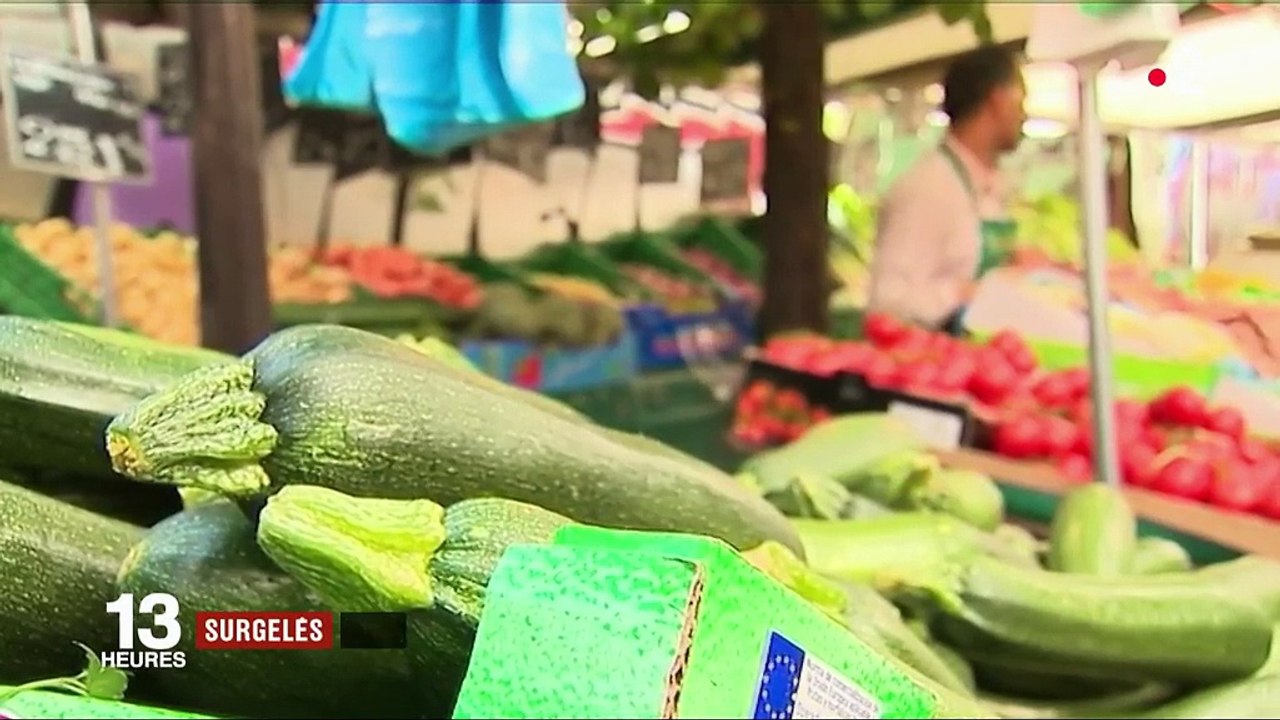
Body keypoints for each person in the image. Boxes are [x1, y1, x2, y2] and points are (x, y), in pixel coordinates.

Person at [867, 44, 1027, 335]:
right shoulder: (927, 188)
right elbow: (887, 305)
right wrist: (962, 293)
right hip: (931, 357)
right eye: (1021, 101)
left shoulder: (985, 185)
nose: (1024, 115)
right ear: (998, 100)